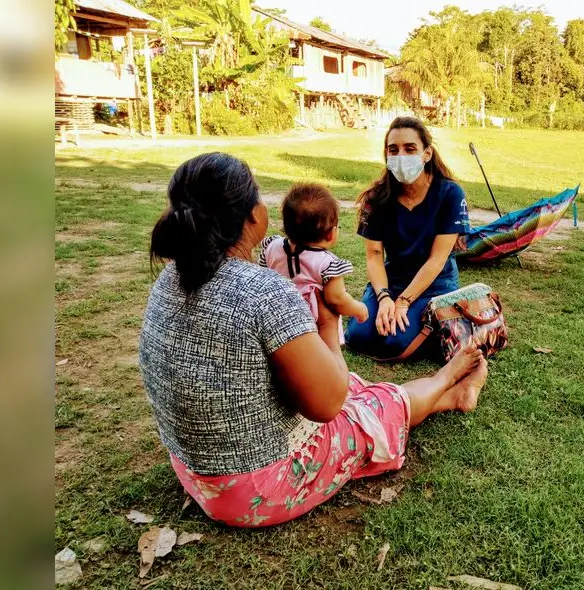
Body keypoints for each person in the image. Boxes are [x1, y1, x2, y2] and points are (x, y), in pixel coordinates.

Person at [138, 152, 488, 527]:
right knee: (371, 405)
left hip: (194, 471)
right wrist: (328, 325)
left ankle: (447, 396)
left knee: (355, 385)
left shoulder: (170, 278)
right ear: (253, 214)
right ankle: (444, 382)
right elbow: (329, 404)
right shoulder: (264, 291)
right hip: (255, 490)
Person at [345, 116, 470, 360]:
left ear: (427, 153)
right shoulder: (376, 198)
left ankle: (446, 322)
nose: (401, 156)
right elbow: (373, 255)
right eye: (394, 150)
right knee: (359, 336)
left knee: (395, 341)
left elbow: (437, 260)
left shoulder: (450, 194)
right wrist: (384, 298)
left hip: (436, 284)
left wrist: (402, 302)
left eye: (410, 148)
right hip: (391, 281)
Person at [258, 183, 368, 345]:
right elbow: (337, 299)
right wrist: (359, 309)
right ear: (331, 234)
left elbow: (262, 277)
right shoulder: (327, 265)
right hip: (315, 332)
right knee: (324, 363)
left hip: (278, 324)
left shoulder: (271, 247)